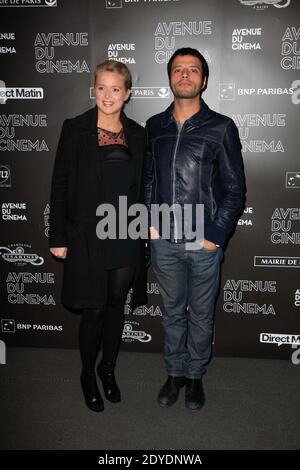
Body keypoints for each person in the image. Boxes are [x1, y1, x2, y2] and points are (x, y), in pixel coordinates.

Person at [144, 48, 246, 410]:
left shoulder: (221, 127)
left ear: (204, 79)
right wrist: (150, 226)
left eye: (193, 70)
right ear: (170, 78)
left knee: (201, 314)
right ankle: (175, 374)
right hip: (164, 242)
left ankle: (195, 377)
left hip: (203, 241)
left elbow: (235, 189)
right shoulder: (154, 126)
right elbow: (150, 179)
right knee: (172, 312)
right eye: (178, 69)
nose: (184, 75)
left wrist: (214, 236)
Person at [49, 60, 147, 412]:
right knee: (93, 310)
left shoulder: (138, 133)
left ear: (128, 93)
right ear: (94, 89)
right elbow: (60, 185)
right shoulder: (74, 129)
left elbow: (142, 188)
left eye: (116, 88)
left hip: (125, 233)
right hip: (87, 237)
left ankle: (108, 370)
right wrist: (57, 236)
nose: (108, 95)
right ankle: (87, 376)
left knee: (115, 307)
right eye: (102, 87)